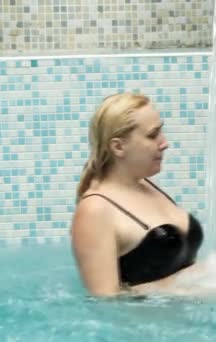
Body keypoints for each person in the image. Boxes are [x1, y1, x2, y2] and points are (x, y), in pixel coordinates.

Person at [71, 93, 203, 297]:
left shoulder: (146, 185)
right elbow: (106, 302)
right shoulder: (95, 210)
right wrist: (191, 289)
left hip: (190, 315)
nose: (164, 143)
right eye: (152, 135)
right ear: (118, 146)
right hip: (152, 324)